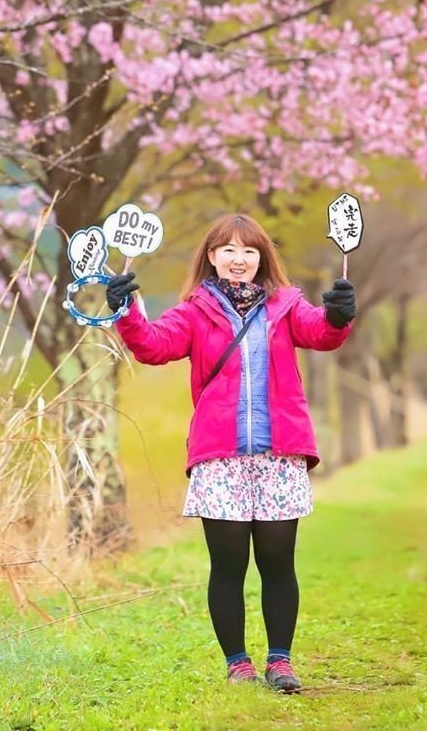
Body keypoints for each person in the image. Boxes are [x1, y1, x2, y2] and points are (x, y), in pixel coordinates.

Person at [106, 213, 356, 693]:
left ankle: (280, 662)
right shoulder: (194, 311)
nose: (238, 259)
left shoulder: (286, 304)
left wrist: (339, 315)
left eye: (249, 250)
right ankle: (238, 663)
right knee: (228, 566)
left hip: (279, 455)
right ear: (211, 257)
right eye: (228, 250)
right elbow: (153, 347)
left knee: (279, 563)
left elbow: (322, 333)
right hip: (220, 458)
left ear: (262, 258)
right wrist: (127, 312)